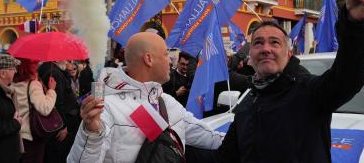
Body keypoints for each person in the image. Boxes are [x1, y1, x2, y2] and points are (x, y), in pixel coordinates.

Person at [216, 0, 364, 163]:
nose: (266, 49)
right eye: (258, 43)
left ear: (289, 53)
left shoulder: (309, 92)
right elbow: (226, 157)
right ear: (251, 53)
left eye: (274, 43)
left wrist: (355, 24)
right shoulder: (247, 104)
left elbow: (348, 77)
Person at [68, 32, 224, 162]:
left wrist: (244, 135)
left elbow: (207, 136)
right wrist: (91, 134)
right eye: (166, 54)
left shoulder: (167, 102)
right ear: (149, 59)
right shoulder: (107, 108)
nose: (170, 60)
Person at [11, 59, 57, 163]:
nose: (37, 65)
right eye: (33, 63)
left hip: (15, 134)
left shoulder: (11, 83)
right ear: (27, 66)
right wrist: (51, 91)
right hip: (31, 135)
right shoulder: (33, 84)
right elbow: (45, 108)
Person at [40, 61, 79, 162]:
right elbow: (58, 102)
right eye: (66, 59)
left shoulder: (48, 68)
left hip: (52, 122)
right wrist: (63, 126)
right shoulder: (54, 72)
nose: (67, 61)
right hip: (58, 125)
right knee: (59, 155)